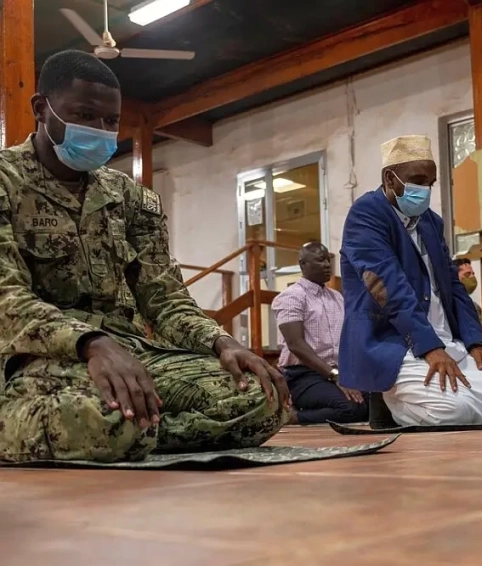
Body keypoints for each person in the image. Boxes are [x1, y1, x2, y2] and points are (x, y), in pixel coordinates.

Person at [0, 50, 288, 463]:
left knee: (260, 395)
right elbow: (6, 297)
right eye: (84, 115)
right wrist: (90, 343)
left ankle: (134, 429)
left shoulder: (129, 197)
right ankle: (120, 424)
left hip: (126, 352)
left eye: (110, 121)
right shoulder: (6, 181)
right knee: (106, 417)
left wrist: (220, 342)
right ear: (41, 109)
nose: (100, 130)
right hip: (31, 358)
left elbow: (165, 298)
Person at [338, 135, 482, 426]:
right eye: (417, 181)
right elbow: (388, 287)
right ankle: (391, 408)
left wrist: (476, 342)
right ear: (390, 178)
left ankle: (431, 401)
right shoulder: (366, 214)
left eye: (430, 183)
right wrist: (428, 347)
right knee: (451, 411)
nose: (425, 190)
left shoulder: (431, 221)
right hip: (396, 345)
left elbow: (453, 286)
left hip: (444, 342)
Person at [272, 242, 368, 425]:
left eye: (328, 260)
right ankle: (292, 417)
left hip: (337, 371)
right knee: (349, 408)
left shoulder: (337, 297)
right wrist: (334, 376)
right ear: (303, 264)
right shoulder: (291, 297)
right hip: (304, 376)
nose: (327, 265)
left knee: (375, 403)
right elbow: (296, 345)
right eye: (320, 260)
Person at [452, 257, 482, 351]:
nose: (472, 277)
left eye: (473, 274)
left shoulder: (475, 307)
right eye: (467, 274)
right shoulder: (448, 305)